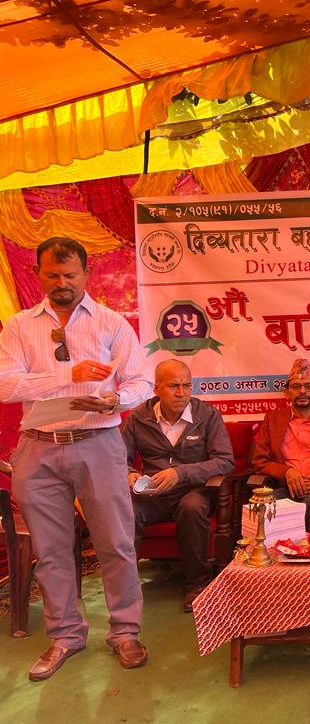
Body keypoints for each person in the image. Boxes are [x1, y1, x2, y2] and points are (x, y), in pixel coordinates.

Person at [0, 237, 150, 681]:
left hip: (98, 442)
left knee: (116, 543)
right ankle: (65, 635)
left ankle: (125, 632)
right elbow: (5, 385)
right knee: (49, 550)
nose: (62, 283)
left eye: (70, 274)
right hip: (37, 446)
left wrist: (116, 400)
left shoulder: (111, 323)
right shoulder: (19, 326)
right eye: (52, 275)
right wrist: (68, 375)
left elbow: (141, 382)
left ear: (87, 273)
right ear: (37, 274)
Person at [121, 359, 233, 612]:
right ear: (156, 388)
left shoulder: (207, 415)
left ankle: (197, 584)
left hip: (195, 489)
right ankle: (125, 586)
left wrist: (180, 474)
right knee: (126, 509)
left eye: (187, 385)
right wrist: (129, 473)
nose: (181, 393)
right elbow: (119, 458)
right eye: (174, 386)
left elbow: (224, 461)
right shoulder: (138, 418)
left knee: (191, 508)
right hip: (153, 492)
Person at [250, 358, 310, 531]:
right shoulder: (273, 420)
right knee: (267, 506)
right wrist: (287, 472)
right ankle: (275, 549)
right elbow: (259, 461)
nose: (302, 391)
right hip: (285, 487)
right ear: (286, 393)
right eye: (296, 386)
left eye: (309, 386)